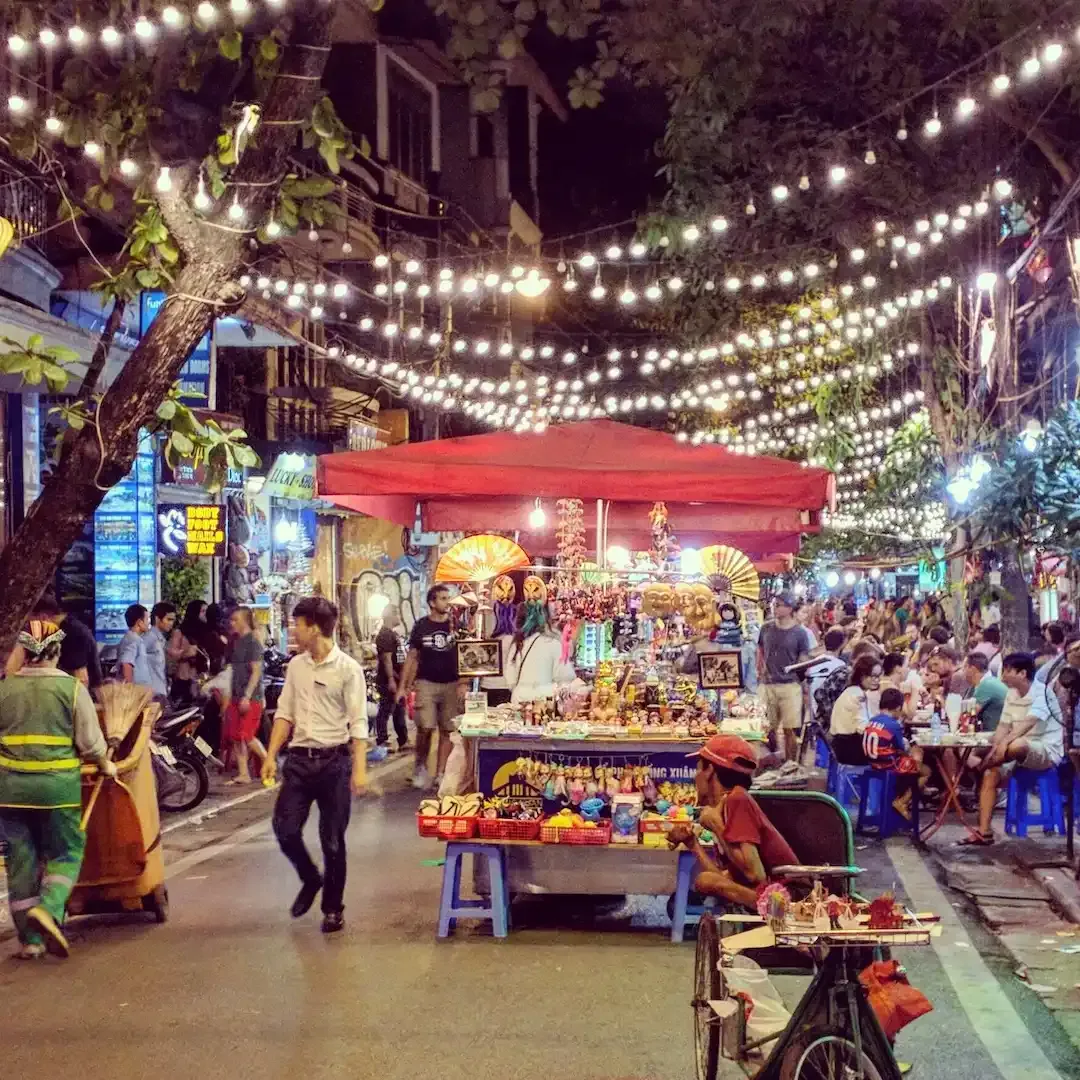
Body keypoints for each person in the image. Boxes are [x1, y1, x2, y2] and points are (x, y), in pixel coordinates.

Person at [0, 619, 114, 959]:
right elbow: (91, 744)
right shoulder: (71, 690)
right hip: (57, 791)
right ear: (56, 651)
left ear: (24, 651)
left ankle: (31, 942)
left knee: (19, 862)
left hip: (9, 792)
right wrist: (105, 763)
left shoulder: (4, 689)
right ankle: (49, 909)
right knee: (67, 852)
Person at [261, 597, 367, 934]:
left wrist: (360, 768)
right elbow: (284, 714)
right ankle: (310, 878)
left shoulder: (348, 669)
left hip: (335, 763)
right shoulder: (296, 666)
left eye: (298, 624)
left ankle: (333, 908)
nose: (294, 631)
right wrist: (269, 755)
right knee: (285, 829)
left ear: (314, 627)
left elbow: (358, 722)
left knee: (332, 840)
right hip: (298, 763)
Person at [667, 734, 797, 908]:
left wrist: (717, 827)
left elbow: (755, 874)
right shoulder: (725, 805)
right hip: (763, 892)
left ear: (710, 771)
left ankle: (772, 908)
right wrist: (693, 844)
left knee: (705, 881)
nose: (695, 777)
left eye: (698, 769)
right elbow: (725, 876)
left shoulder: (737, 799)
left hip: (787, 895)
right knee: (705, 881)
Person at [965, 652, 1065, 846]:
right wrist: (994, 744)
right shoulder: (1011, 694)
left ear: (1022, 673)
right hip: (1012, 751)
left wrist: (1002, 745)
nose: (1003, 676)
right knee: (990, 774)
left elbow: (1026, 725)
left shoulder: (1043, 693)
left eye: (1008, 671)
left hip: (1045, 750)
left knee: (1016, 745)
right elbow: (1003, 726)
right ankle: (984, 832)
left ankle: (981, 766)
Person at [397, 584, 462, 790]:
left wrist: (464, 682)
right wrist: (403, 686)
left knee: (447, 730)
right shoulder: (421, 626)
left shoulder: (456, 626)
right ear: (432, 602)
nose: (447, 602)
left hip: (451, 683)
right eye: (443, 598)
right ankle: (420, 766)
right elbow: (412, 657)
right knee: (425, 726)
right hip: (426, 682)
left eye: (448, 598)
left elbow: (467, 655)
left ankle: (440, 773)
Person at [4, 588, 102, 689]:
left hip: (80, 699)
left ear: (43, 617)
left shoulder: (74, 634)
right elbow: (12, 668)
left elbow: (81, 680)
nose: (28, 627)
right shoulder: (48, 633)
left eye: (29, 622)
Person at [756, 593, 812, 761]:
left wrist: (804, 679)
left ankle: (790, 764)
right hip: (767, 684)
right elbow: (760, 649)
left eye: (779, 604)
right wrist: (760, 669)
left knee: (790, 730)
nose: (775, 607)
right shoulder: (766, 628)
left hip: (790, 685)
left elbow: (803, 658)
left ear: (789, 608)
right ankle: (771, 760)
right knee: (765, 728)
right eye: (774, 604)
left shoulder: (800, 633)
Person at [862, 688, 930, 819]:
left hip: (872, 763)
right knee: (926, 771)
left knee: (914, 761)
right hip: (888, 765)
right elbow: (901, 748)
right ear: (898, 707)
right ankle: (902, 802)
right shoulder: (893, 724)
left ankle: (901, 800)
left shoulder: (871, 721)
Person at [223, 606, 267, 784]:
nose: (232, 623)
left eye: (236, 620)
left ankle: (268, 761)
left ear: (245, 621)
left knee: (247, 735)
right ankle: (243, 773)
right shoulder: (235, 642)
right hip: (235, 695)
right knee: (235, 736)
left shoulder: (253, 642)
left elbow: (256, 672)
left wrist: (247, 696)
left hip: (251, 698)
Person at [504, 603, 575, 704]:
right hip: (545, 702)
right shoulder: (553, 644)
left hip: (519, 700)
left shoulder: (516, 645)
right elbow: (566, 677)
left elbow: (510, 680)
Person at [829, 654, 882, 764]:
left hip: (841, 745)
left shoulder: (852, 691)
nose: (877, 680)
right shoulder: (858, 695)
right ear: (862, 675)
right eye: (873, 676)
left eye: (878, 676)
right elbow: (863, 727)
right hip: (849, 749)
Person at [374, 605, 409, 750]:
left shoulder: (391, 634)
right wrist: (391, 679)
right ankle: (382, 739)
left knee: (398, 710)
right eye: (398, 614)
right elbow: (387, 659)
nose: (399, 617)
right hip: (390, 679)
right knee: (386, 709)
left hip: (396, 679)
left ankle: (403, 740)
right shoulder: (385, 635)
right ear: (391, 615)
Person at [803, 628, 849, 725]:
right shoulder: (841, 666)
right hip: (828, 715)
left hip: (811, 712)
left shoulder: (813, 663)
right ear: (842, 644)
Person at [169, 600, 209, 703]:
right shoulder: (180, 632)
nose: (206, 615)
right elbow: (171, 655)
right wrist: (185, 653)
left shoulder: (206, 632)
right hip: (183, 680)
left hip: (200, 680)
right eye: (203, 611)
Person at [117, 604, 157, 694]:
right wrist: (130, 691)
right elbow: (126, 664)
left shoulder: (134, 639)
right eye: (147, 619)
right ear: (139, 622)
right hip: (135, 695)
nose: (149, 623)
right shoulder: (133, 640)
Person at [963, 652, 1008, 732]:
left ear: (972, 669)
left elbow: (968, 715)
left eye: (965, 667)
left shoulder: (986, 685)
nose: (962, 671)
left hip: (994, 733)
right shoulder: (983, 683)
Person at [143, 601, 179, 699]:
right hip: (152, 694)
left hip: (160, 693)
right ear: (157, 619)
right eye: (169, 619)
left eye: (173, 620)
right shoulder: (149, 638)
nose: (171, 623)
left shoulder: (161, 640)